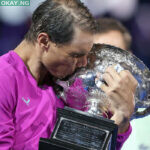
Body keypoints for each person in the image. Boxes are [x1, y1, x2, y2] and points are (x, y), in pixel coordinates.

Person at [0, 1, 137, 150]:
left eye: (86, 55)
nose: (83, 63)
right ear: (44, 41)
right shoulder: (4, 80)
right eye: (75, 55)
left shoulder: (72, 84)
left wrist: (121, 120)